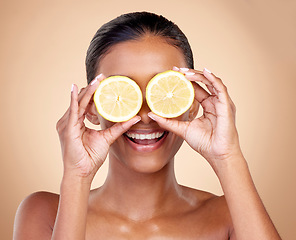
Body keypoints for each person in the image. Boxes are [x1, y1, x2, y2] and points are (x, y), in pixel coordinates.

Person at [13, 12, 281, 239]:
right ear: (92, 108)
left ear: (191, 104)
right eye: (124, 94)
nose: (144, 115)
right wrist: (77, 176)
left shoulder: (228, 216)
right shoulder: (44, 212)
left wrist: (227, 156)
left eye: (162, 92)